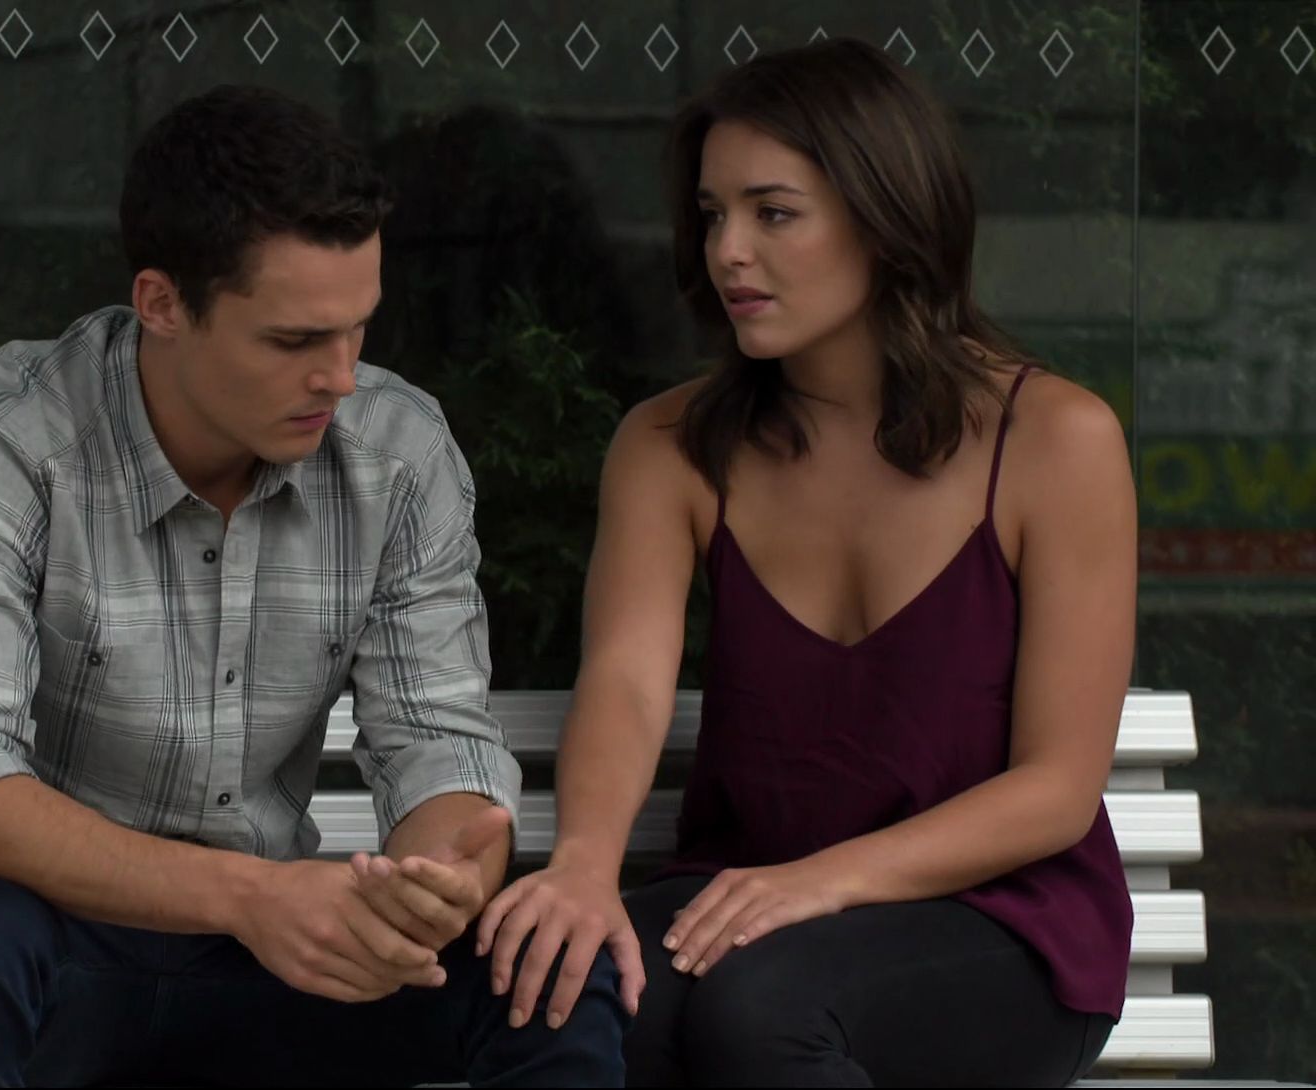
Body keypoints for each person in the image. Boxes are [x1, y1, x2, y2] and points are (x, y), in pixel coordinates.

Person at [0, 84, 628, 1088]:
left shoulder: (398, 452)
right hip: (54, 947)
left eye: (359, 329)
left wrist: (439, 881)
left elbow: (439, 741)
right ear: (162, 303)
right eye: (295, 341)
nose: (341, 377)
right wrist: (252, 896)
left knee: (549, 968)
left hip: (273, 959)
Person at [475, 39, 1135, 1087]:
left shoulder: (1056, 439)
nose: (728, 250)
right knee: (567, 996)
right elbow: (628, 681)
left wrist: (823, 882)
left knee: (766, 1010)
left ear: (888, 218)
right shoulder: (670, 444)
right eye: (711, 214)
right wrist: (585, 869)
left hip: (1003, 925)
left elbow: (1056, 788)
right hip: (752, 903)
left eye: (773, 213)